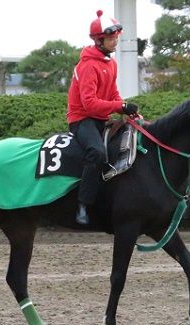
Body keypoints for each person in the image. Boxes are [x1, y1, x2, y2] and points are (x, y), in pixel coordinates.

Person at [67, 9, 139, 225]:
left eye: (116, 36)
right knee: (97, 153)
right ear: (99, 40)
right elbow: (89, 104)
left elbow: (113, 94)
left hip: (101, 119)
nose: (115, 41)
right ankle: (83, 204)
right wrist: (120, 106)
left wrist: (127, 110)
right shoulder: (88, 65)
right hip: (82, 120)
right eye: (111, 38)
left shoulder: (111, 63)